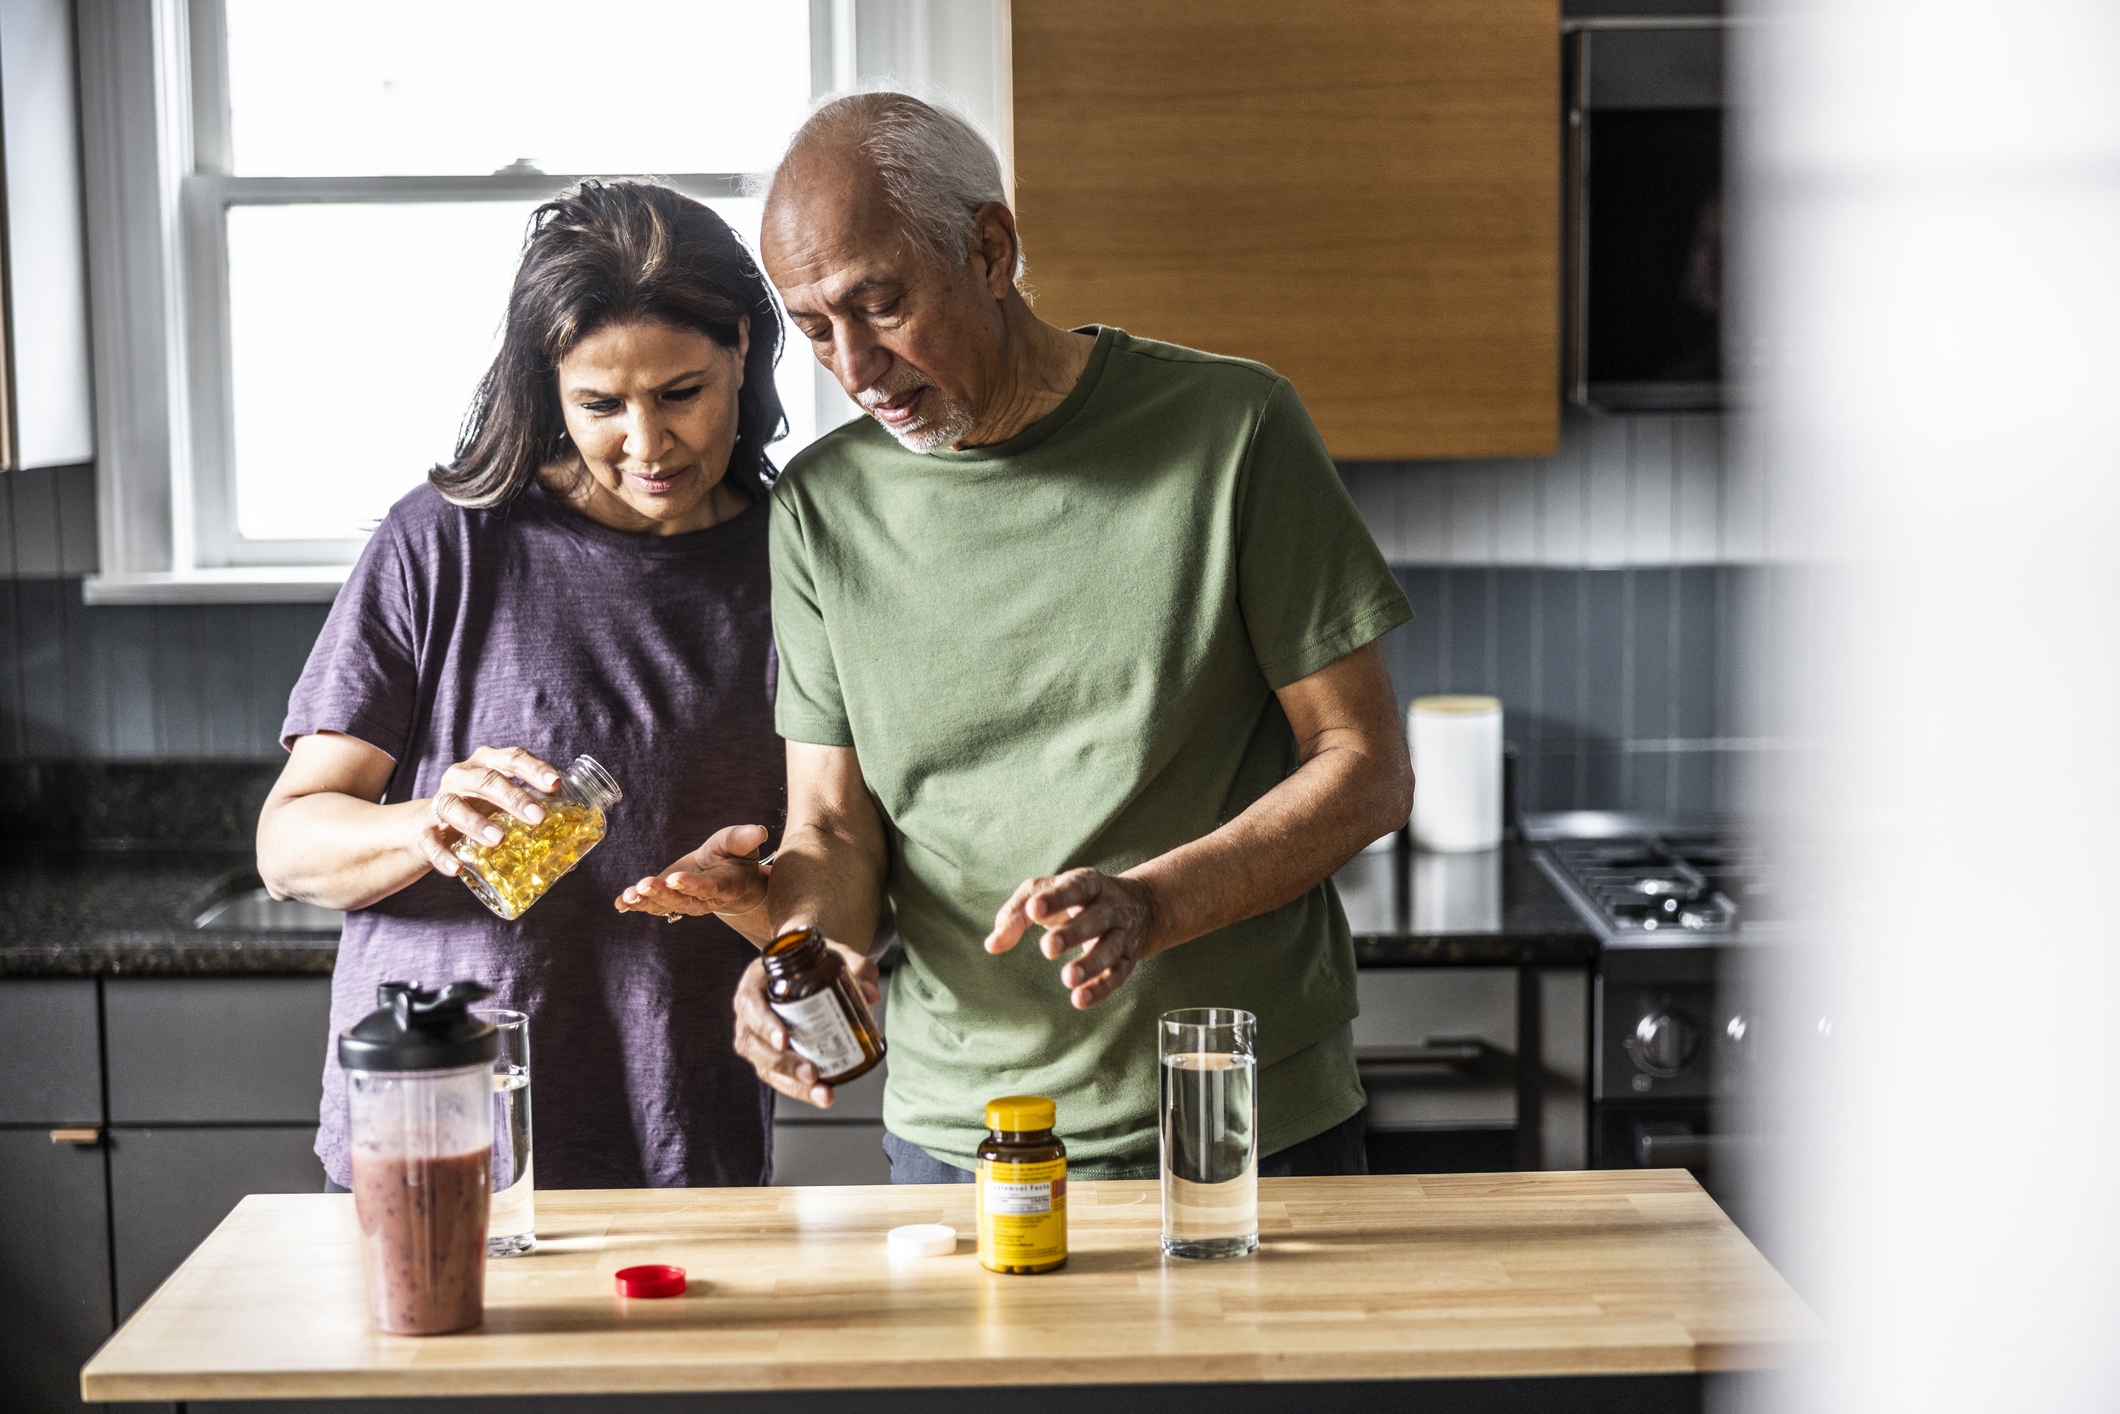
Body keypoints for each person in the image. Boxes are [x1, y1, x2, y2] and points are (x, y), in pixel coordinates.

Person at [739, 94, 1415, 1183]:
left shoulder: (1231, 431)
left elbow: (1366, 768)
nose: (854, 369)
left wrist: (1151, 905)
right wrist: (798, 949)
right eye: (815, 328)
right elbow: (831, 828)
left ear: (989, 249)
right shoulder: (819, 509)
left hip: (1236, 1109)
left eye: (879, 304)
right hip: (960, 1132)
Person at [258, 181, 806, 1190]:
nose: (646, 446)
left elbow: (847, 872)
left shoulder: (798, 561)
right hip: (435, 1120)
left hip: (678, 1129)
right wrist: (420, 824)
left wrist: (759, 900)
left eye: (680, 392)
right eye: (600, 404)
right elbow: (287, 847)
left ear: (740, 346)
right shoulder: (443, 541)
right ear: (546, 386)